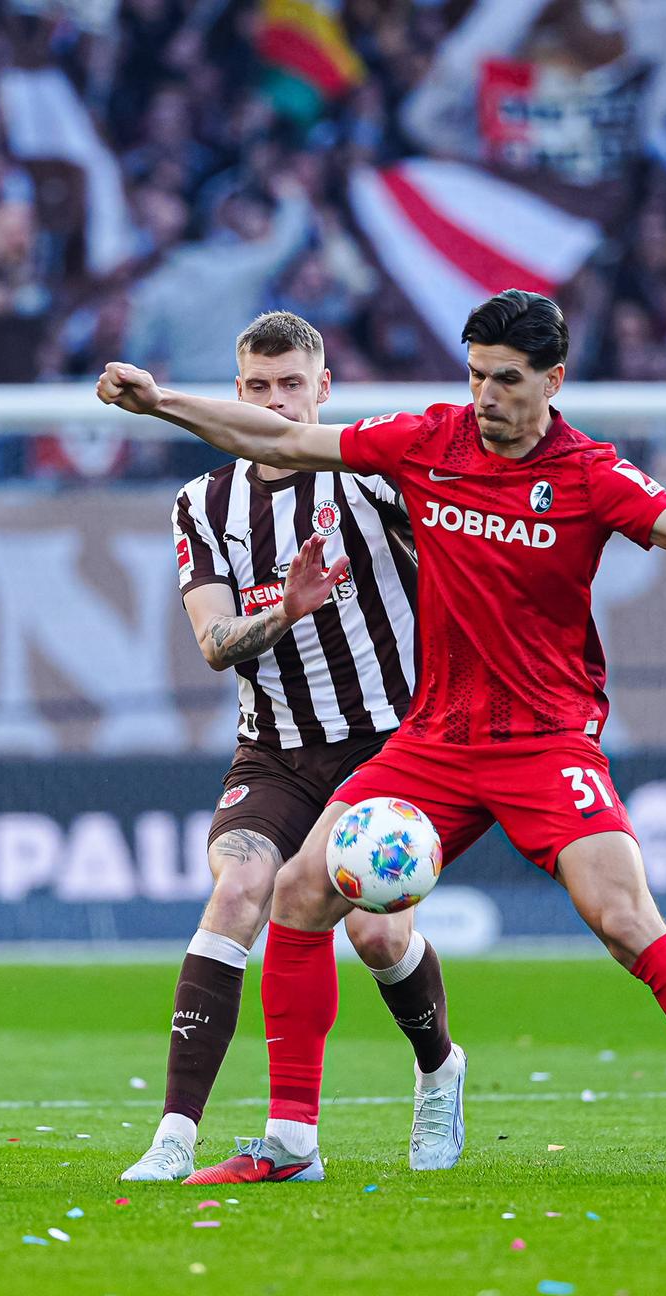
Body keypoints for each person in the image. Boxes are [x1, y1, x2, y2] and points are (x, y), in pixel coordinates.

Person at [98, 289, 666, 1185]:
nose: (485, 396)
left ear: (552, 380)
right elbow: (281, 441)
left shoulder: (589, 475)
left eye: (504, 379)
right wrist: (164, 403)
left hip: (547, 742)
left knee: (624, 920)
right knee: (300, 893)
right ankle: (292, 1143)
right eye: (474, 375)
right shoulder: (428, 441)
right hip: (434, 739)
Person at [119, 311, 465, 1184]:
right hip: (272, 749)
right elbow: (213, 640)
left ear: (324, 391)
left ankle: (439, 1071)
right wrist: (288, 610)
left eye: (292, 386)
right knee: (241, 890)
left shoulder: (374, 483)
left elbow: (457, 574)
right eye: (260, 388)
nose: (276, 402)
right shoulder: (201, 504)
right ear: (238, 395)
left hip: (385, 747)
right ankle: (174, 1135)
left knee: (380, 942)